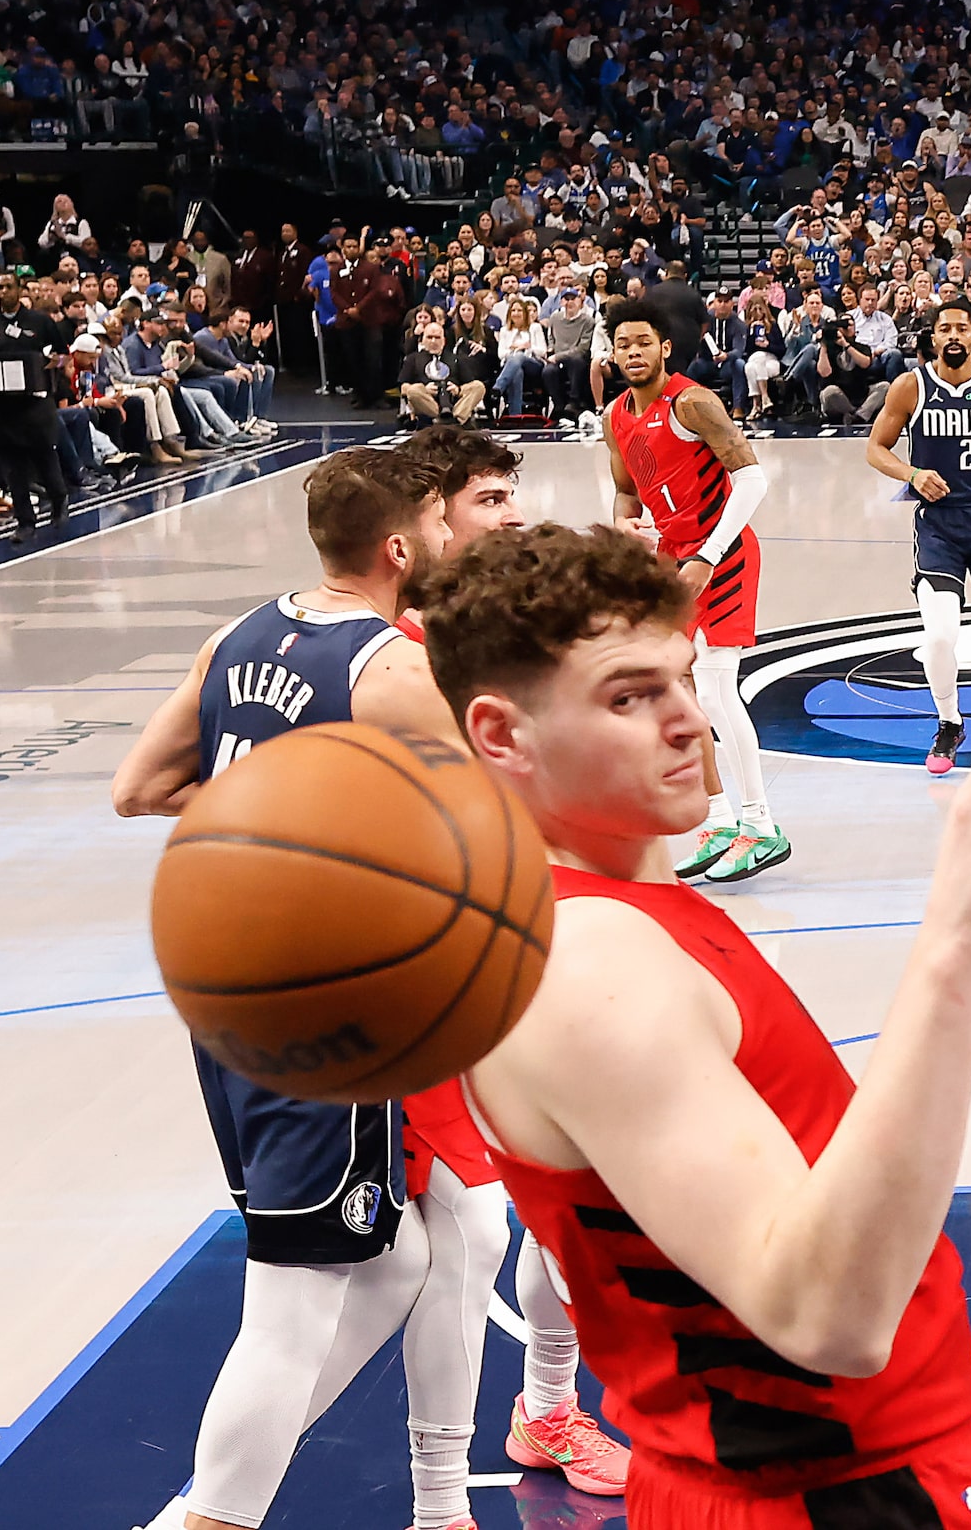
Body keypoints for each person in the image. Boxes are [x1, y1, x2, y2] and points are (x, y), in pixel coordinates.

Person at [418, 522, 971, 1530]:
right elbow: (824, 1315)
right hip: (823, 1498)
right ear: (501, 735)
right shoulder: (587, 966)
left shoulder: (618, 915)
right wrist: (955, 946)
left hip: (817, 1480)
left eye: (683, 677)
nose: (689, 720)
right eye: (629, 696)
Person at [108, 447, 480, 1530]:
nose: (453, 541)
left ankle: (205, 1506)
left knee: (393, 1255)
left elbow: (139, 789)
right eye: (440, 527)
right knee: (293, 1299)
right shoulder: (390, 668)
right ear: (400, 546)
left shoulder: (238, 636)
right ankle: (201, 1521)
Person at [392, 425, 635, 1505]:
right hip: (437, 975)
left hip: (535, 945)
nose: (511, 515)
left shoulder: (503, 628)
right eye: (489, 500)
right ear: (429, 522)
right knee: (453, 1241)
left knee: (573, 1199)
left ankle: (547, 1409)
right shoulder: (390, 654)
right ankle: (432, 1495)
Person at [603, 298, 789, 883]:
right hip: (670, 555)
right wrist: (624, 527)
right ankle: (719, 816)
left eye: (642, 343)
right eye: (622, 345)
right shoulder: (616, 416)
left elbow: (752, 479)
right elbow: (628, 495)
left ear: (664, 348)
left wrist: (708, 555)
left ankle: (761, 825)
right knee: (679, 689)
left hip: (723, 553)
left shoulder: (692, 401)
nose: (632, 353)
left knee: (712, 687)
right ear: (612, 353)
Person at [866, 301, 971, 774]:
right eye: (945, 328)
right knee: (941, 638)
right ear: (933, 338)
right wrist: (912, 473)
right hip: (940, 528)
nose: (954, 335)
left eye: (963, 327)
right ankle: (949, 723)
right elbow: (875, 448)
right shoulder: (910, 386)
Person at [0, 269, 71, 535]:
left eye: (8, 286)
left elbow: (64, 356)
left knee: (45, 456)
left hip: (36, 403)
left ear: (19, 289)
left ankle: (59, 501)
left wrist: (49, 365)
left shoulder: (39, 321)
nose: (3, 292)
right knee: (13, 467)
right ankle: (25, 521)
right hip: (5, 405)